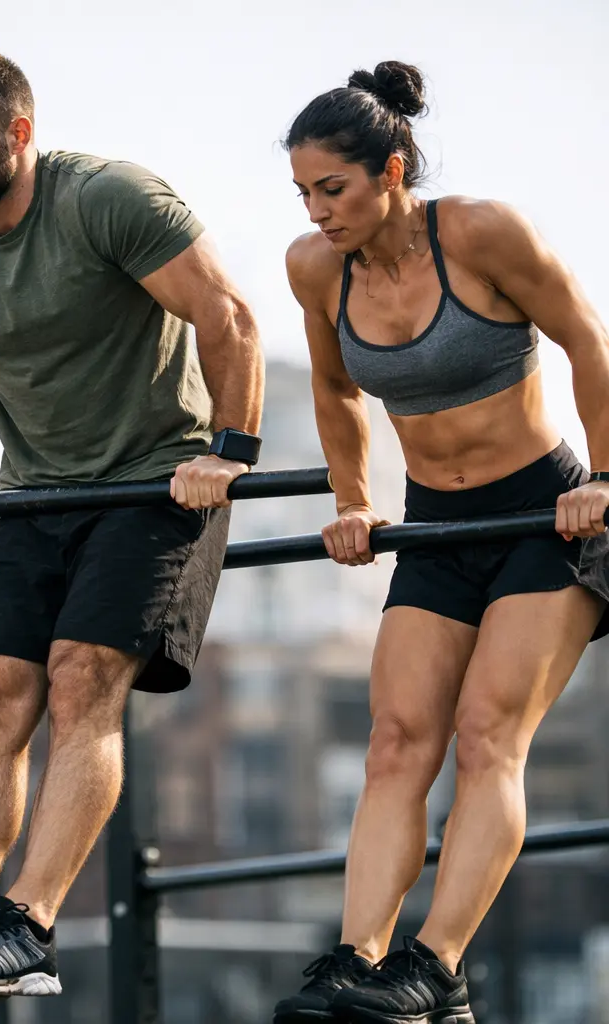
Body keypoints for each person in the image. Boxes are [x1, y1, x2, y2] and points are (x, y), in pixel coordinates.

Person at [0, 50, 265, 1007]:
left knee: (83, 676)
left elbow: (226, 314)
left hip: (160, 483)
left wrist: (231, 452)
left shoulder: (110, 201)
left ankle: (28, 928)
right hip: (38, 491)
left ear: (18, 134)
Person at [272, 62, 609, 1024]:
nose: (317, 210)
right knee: (393, 743)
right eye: (302, 193)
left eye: (331, 188)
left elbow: (589, 340)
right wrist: (351, 497)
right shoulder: (315, 267)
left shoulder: (481, 233)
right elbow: (337, 389)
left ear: (391, 166)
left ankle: (437, 967)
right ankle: (358, 960)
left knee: (487, 736)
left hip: (541, 515)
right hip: (433, 518)